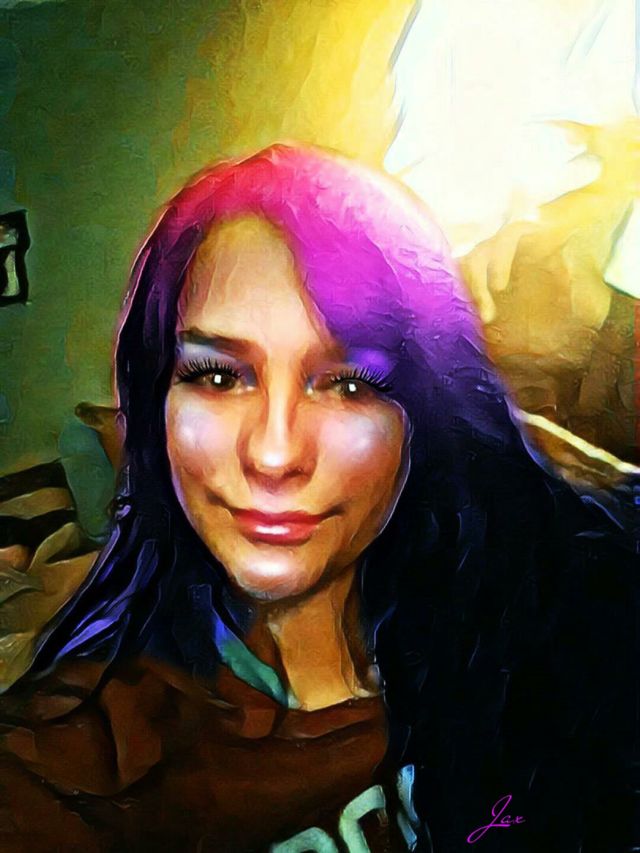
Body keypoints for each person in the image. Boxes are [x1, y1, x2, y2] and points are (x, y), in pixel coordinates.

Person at [0, 143, 637, 853]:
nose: (274, 454)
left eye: (349, 383)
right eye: (218, 377)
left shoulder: (532, 624)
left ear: (421, 415)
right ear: (157, 405)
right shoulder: (72, 764)